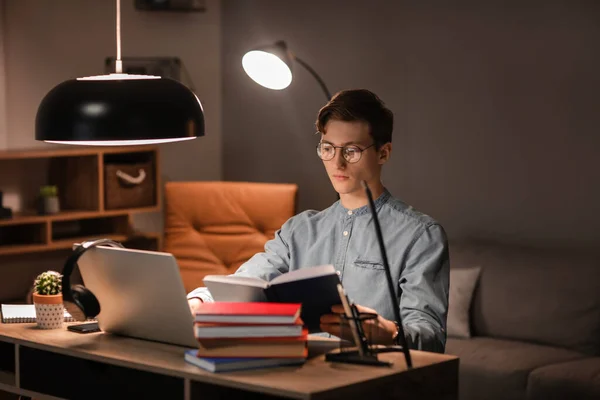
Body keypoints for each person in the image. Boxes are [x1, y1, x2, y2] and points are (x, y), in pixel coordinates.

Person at [187, 89, 450, 353]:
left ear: (383, 153)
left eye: (352, 150)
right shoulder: (299, 231)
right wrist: (200, 300)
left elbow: (430, 337)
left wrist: (389, 332)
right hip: (303, 373)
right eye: (328, 148)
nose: (337, 163)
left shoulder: (420, 235)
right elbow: (247, 280)